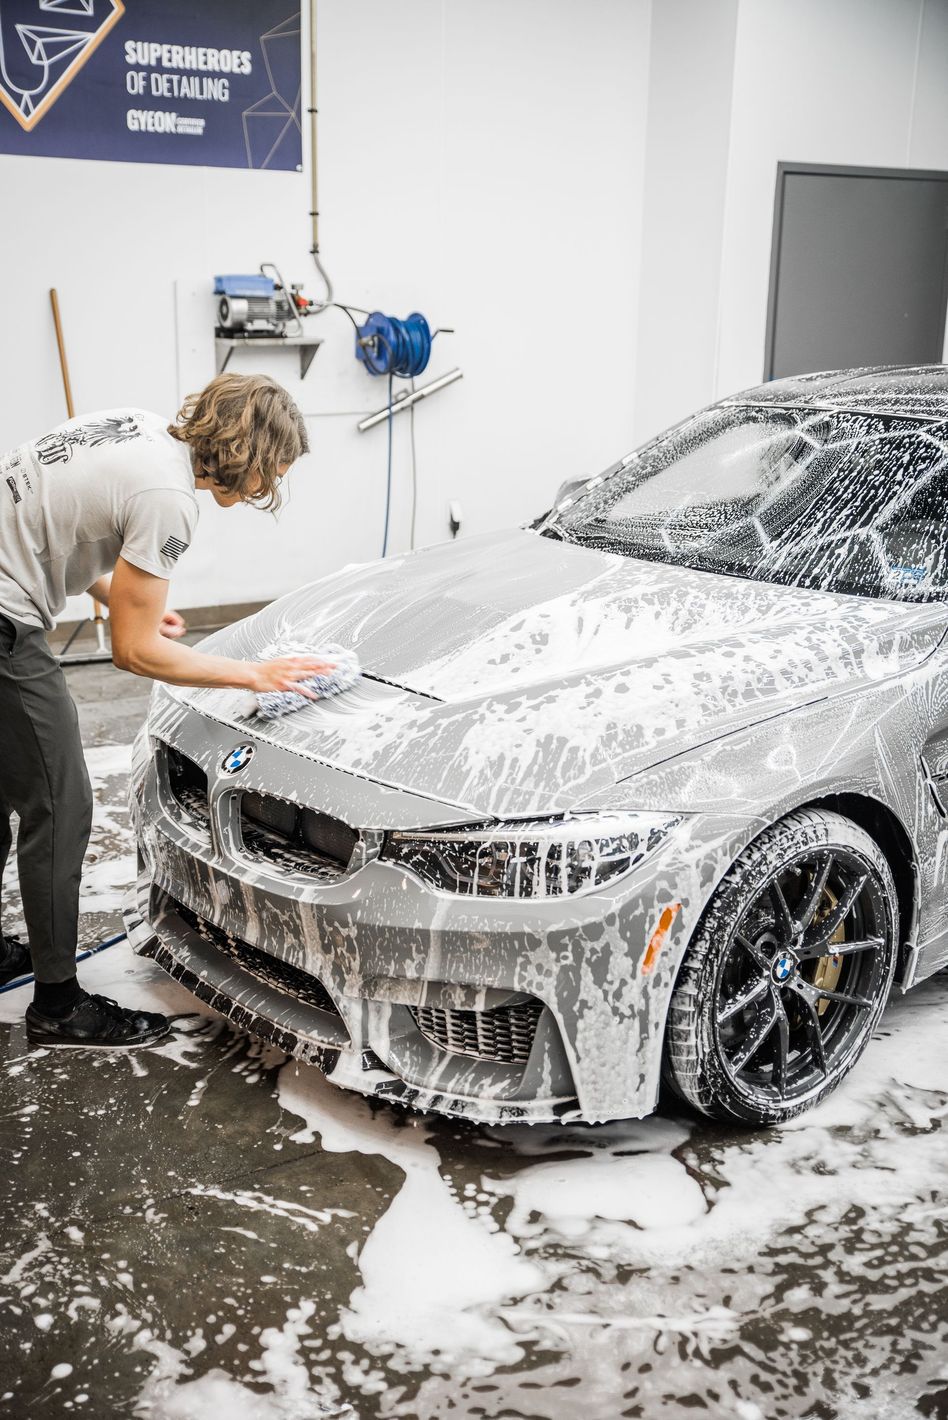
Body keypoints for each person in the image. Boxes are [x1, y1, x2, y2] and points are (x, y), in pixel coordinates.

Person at [0, 373, 333, 1048]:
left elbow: (56, 528)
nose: (270, 486)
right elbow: (134, 653)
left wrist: (116, 591)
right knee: (60, 808)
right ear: (253, 455)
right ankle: (59, 1008)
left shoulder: (138, 428)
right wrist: (254, 675)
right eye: (276, 469)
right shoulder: (169, 499)